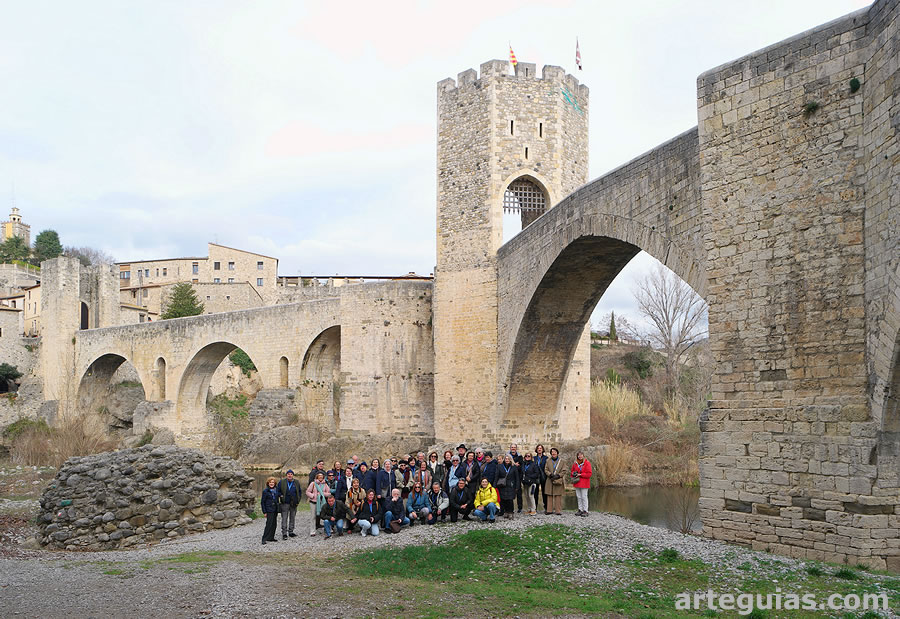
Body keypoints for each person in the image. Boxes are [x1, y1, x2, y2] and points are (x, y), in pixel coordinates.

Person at [276, 469, 302, 539]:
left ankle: (291, 531)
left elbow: (299, 492)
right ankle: (284, 533)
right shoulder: (282, 482)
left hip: (294, 503)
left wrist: (298, 500)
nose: (290, 475)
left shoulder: (296, 482)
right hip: (285, 503)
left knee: (292, 517)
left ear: (293, 475)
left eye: (291, 474)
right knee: (284, 518)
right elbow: (277, 490)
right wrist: (280, 495)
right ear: (286, 475)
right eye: (288, 474)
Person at [305, 471, 331, 536]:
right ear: (317, 477)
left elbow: (329, 493)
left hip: (323, 502)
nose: (320, 478)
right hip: (313, 502)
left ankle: (327, 529)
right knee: (313, 517)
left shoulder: (325, 484)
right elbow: (307, 492)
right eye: (319, 477)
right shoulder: (313, 484)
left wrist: (323, 494)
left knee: (325, 515)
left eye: (321, 477)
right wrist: (313, 495)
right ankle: (312, 531)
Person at [495, 453, 520, 519]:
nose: (507, 460)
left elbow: (517, 477)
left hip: (511, 485)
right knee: (503, 499)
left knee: (510, 499)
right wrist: (494, 486)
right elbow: (496, 476)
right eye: (506, 458)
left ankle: (511, 512)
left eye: (508, 458)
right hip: (502, 485)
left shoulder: (514, 467)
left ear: (510, 459)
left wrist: (517, 486)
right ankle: (506, 512)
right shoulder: (499, 466)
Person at [571, 451, 592, 517]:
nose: (580, 456)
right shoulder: (575, 463)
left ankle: (585, 510)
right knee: (579, 496)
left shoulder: (587, 463)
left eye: (581, 455)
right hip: (577, 482)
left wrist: (580, 474)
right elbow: (572, 471)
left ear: (583, 456)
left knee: (584, 496)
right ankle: (580, 509)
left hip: (584, 482)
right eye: (578, 455)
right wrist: (574, 473)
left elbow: (589, 474)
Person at [544, 447, 565, 516]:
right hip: (550, 479)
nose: (553, 453)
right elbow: (546, 469)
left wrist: (558, 476)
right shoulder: (548, 461)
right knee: (549, 495)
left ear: (557, 453)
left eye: (555, 452)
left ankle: (558, 511)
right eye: (552, 452)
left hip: (558, 479)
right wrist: (550, 475)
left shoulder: (561, 461)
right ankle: (549, 510)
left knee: (558, 495)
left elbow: (564, 470)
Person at [260, 476, 279, 545]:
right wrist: (264, 512)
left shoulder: (276, 490)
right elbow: (262, 502)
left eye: (273, 482)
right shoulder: (265, 491)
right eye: (270, 482)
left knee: (274, 524)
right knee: (269, 524)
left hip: (275, 509)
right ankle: (264, 538)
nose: (272, 483)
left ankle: (271, 537)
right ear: (268, 483)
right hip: (269, 509)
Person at [509, 444, 524, 513]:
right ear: (510, 448)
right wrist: (515, 464)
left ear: (516, 448)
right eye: (512, 447)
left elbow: (521, 466)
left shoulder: (520, 456)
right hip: (510, 477)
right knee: (509, 493)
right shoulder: (507, 456)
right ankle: (509, 508)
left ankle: (520, 508)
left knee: (519, 493)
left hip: (518, 476)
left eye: (514, 447)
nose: (513, 448)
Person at [534, 444, 549, 514]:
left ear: (542, 450)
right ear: (536, 450)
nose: (539, 449)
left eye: (541, 448)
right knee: (535, 493)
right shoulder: (534, 458)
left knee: (544, 493)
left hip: (544, 477)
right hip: (536, 477)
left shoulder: (546, 458)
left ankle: (546, 507)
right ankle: (535, 507)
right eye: (538, 448)